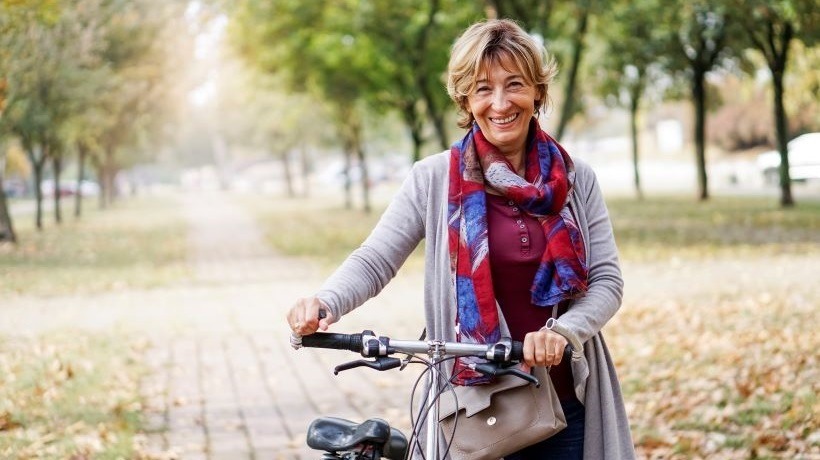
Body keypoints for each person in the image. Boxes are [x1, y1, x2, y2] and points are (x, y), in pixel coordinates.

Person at [287, 18, 635, 460]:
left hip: (561, 405)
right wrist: (325, 302)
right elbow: (376, 258)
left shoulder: (576, 178)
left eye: (515, 85)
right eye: (483, 88)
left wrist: (564, 332)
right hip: (470, 408)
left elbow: (606, 281)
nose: (501, 103)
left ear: (538, 92)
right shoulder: (433, 178)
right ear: (466, 99)